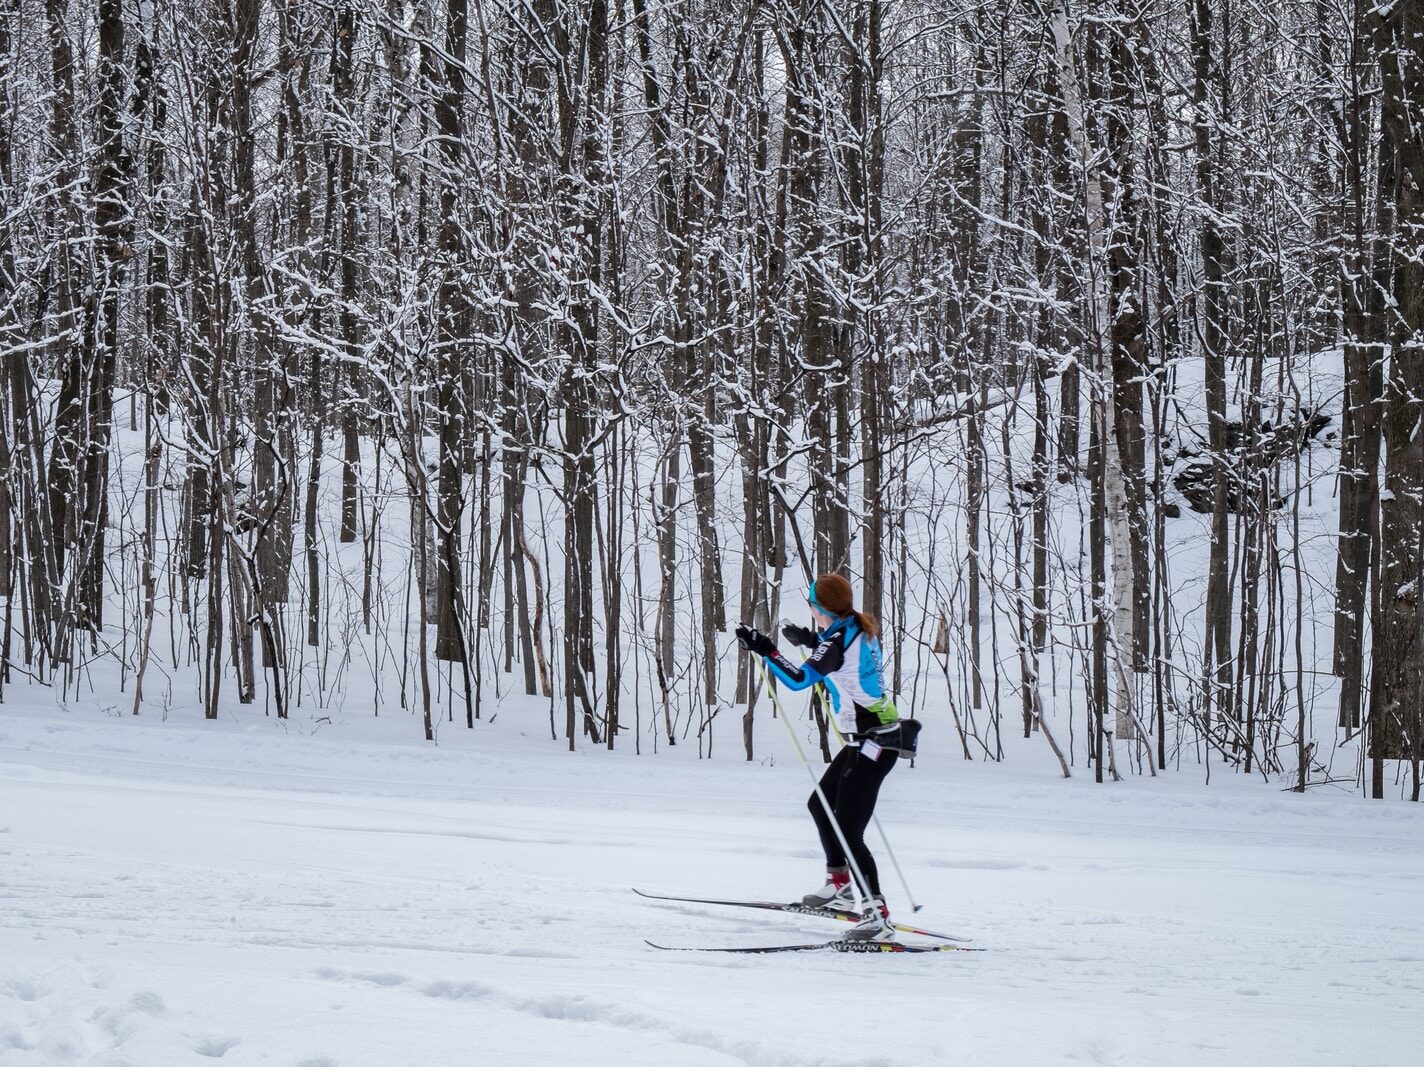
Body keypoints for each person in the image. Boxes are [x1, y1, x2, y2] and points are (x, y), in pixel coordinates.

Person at [736, 573, 902, 942]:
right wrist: (810, 640)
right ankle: (840, 888)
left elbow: (799, 680)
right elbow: (839, 657)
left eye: (811, 605)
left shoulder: (838, 638)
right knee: (820, 804)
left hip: (874, 743)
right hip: (869, 739)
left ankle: (877, 914)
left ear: (817, 608)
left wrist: (765, 648)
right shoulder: (854, 627)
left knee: (848, 831)